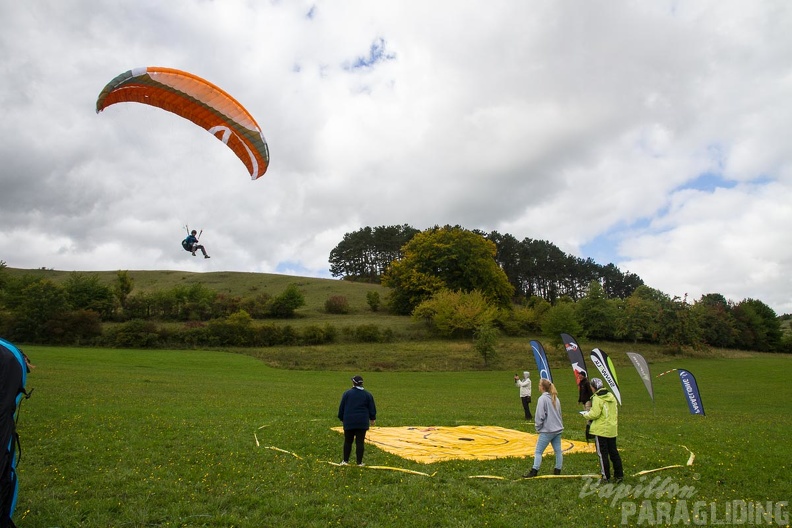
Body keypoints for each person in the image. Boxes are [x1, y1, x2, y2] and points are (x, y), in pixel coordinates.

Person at [581, 378, 623, 484]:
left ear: (593, 387)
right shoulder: (611, 396)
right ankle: (619, 475)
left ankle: (606, 477)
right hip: (612, 429)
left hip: (601, 430)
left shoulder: (597, 398)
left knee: (602, 453)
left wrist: (586, 414)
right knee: (613, 452)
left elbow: (595, 414)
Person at [523, 378, 563, 477]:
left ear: (542, 387)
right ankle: (558, 469)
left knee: (538, 451)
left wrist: (538, 427)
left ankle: (534, 470)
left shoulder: (542, 399)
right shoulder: (555, 398)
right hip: (557, 429)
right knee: (558, 451)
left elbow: (540, 415)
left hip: (547, 430)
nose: (538, 386)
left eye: (539, 385)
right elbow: (559, 414)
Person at [337, 375, 376, 466]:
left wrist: (341, 418)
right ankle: (359, 462)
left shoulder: (347, 394)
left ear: (353, 383)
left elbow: (341, 407)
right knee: (360, 442)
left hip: (349, 421)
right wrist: (372, 419)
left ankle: (345, 461)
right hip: (362, 422)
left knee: (348, 441)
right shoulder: (367, 395)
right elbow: (372, 408)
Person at [578, 371, 594, 442]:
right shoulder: (581, 383)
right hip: (584, 401)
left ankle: (589, 427)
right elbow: (581, 393)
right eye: (579, 375)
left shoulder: (587, 383)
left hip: (588, 400)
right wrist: (579, 400)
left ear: (584, 376)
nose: (580, 376)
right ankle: (588, 425)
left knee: (588, 413)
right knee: (585, 413)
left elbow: (590, 392)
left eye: (581, 375)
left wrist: (592, 400)